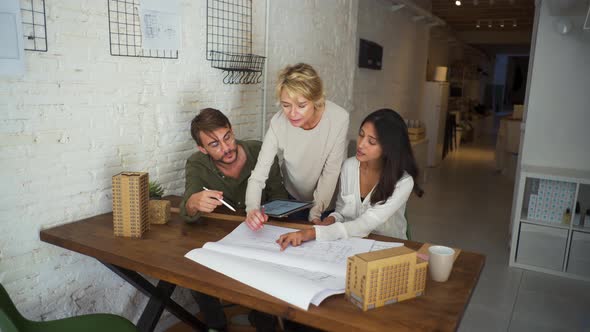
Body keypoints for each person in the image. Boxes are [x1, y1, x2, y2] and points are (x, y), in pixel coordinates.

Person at [181, 108, 288, 331]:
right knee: (195, 259)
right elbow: (187, 208)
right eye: (214, 144)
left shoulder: (260, 150)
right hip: (225, 238)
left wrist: (267, 213)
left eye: (227, 137)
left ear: (232, 130)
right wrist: (194, 203)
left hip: (262, 232)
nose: (226, 147)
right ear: (202, 149)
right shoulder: (196, 164)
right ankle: (216, 323)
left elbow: (280, 196)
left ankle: (262, 318)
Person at [276, 109, 423, 250]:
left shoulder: (403, 182)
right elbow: (342, 211)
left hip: (387, 248)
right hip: (351, 244)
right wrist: (330, 220)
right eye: (361, 134)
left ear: (389, 148)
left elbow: (365, 224)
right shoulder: (349, 166)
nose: (361, 144)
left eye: (371, 142)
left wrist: (311, 233)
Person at [245, 63, 349, 230]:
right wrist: (251, 209)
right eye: (286, 105)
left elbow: (331, 172)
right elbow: (258, 175)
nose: (292, 114)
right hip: (292, 198)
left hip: (327, 202)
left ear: (316, 100)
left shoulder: (338, 118)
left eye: (301, 105)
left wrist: (315, 213)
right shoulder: (278, 123)